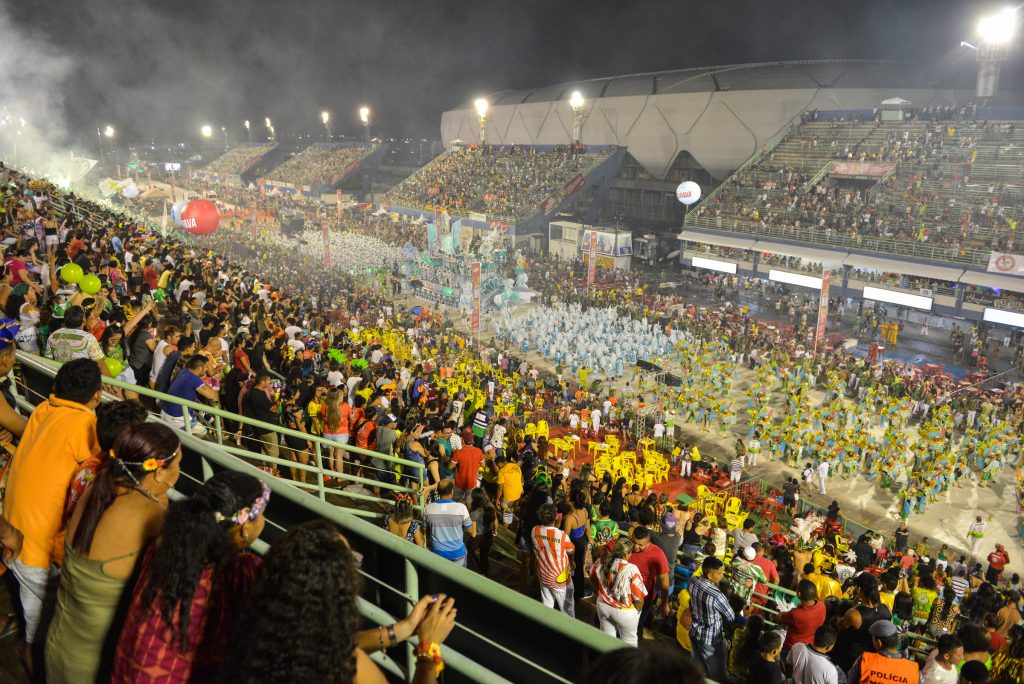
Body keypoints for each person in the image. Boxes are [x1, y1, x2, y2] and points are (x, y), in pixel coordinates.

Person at [221, 520, 458, 684]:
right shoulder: (349, 669)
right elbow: (342, 656)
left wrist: (403, 628)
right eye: (351, 562)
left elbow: (333, 649)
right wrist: (428, 652)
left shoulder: (251, 639)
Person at [45, 423, 182, 684]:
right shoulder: (149, 514)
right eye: (177, 465)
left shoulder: (99, 485)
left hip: (59, 644)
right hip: (92, 664)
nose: (180, 472)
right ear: (159, 472)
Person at [111, 471, 270, 682]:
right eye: (262, 514)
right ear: (245, 527)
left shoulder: (166, 545)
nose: (264, 520)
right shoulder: (240, 572)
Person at [4, 358, 102, 673]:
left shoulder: (44, 410)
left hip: (12, 532)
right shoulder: (86, 426)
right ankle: (34, 665)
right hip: (36, 553)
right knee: (42, 628)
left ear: (56, 387)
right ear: (97, 396)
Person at [590, 537, 646, 646]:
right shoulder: (631, 569)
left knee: (606, 641)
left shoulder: (601, 561)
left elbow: (593, 579)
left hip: (603, 606)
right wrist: (637, 611)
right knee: (629, 643)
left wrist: (602, 594)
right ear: (627, 554)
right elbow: (639, 598)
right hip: (624, 612)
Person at [689, 555, 735, 681]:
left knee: (696, 668)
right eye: (719, 574)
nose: (722, 576)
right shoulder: (717, 595)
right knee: (717, 672)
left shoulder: (693, 580)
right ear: (709, 575)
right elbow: (731, 616)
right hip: (710, 638)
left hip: (694, 630)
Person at [532, 503, 575, 617]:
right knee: (567, 609)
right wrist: (572, 562)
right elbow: (571, 551)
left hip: (543, 574)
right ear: (555, 517)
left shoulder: (534, 530)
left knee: (547, 603)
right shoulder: (562, 536)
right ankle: (570, 631)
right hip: (560, 578)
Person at [846, 620, 919, 684]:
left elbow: (850, 681)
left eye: (873, 639)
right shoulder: (913, 670)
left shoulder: (864, 660)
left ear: (879, 642)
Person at [629, 526, 671, 638]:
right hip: (623, 596)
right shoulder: (626, 544)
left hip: (644, 599)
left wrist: (664, 603)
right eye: (634, 542)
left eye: (640, 545)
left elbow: (664, 582)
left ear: (648, 543)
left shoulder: (658, 554)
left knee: (636, 627)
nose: (635, 546)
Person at [159, 355, 219, 433]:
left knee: (198, 414)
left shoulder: (184, 371)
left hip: (165, 410)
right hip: (175, 417)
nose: (207, 369)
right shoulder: (194, 379)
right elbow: (212, 395)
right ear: (199, 368)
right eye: (206, 367)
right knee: (202, 432)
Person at [422, 479, 475, 566]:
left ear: (437, 491)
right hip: (457, 554)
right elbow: (470, 530)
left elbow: (425, 529)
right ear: (452, 492)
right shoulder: (461, 508)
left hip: (438, 553)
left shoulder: (428, 508)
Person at [780, 579, 827, 651]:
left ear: (799, 594)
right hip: (810, 646)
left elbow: (779, 618)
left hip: (792, 647)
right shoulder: (822, 605)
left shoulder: (796, 614)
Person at [467, 488, 496, 576]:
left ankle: (478, 570)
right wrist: (495, 531)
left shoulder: (474, 513)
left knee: (468, 551)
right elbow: (495, 522)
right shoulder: (490, 505)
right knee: (484, 556)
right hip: (488, 534)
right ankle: (486, 573)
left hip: (478, 537)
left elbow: (473, 533)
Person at [450, 428, 484, 500]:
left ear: (462, 440)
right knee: (469, 502)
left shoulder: (458, 452)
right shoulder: (478, 451)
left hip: (459, 483)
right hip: (472, 482)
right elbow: (483, 464)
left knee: (456, 501)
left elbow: (451, 466)